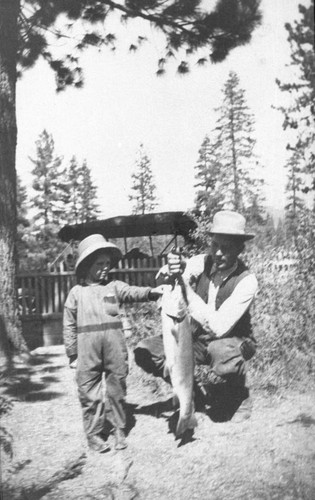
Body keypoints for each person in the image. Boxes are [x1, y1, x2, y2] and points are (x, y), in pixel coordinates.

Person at [134, 210, 258, 422]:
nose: (218, 253)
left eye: (226, 248)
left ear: (240, 249)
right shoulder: (202, 262)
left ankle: (239, 396)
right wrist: (172, 269)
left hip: (235, 341)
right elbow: (163, 276)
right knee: (146, 351)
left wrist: (187, 292)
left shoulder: (247, 281)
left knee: (219, 351)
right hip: (198, 339)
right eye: (215, 245)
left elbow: (219, 327)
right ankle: (189, 392)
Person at [63, 234, 163, 453]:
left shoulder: (114, 286)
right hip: (86, 349)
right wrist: (72, 355)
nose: (106, 268)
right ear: (87, 265)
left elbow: (131, 291)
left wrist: (151, 292)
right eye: (100, 264)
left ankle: (118, 428)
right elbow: (69, 324)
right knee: (89, 392)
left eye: (108, 263)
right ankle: (94, 434)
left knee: (117, 386)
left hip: (114, 346)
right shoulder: (76, 293)